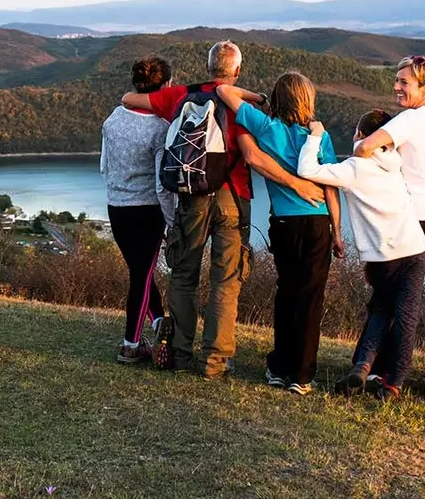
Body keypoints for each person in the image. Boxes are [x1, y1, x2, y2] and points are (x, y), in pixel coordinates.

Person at [121, 41, 326, 379]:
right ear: (237, 71)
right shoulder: (238, 105)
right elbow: (251, 156)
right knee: (226, 280)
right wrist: (298, 184)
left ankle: (180, 351)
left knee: (184, 275)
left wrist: (183, 93)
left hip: (192, 196)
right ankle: (215, 359)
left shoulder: (184, 96)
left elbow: (129, 100)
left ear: (207, 67)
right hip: (233, 196)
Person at [213, 73, 342, 395]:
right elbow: (331, 189)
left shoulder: (266, 127)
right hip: (316, 224)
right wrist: (338, 231)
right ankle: (301, 375)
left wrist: (258, 98)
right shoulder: (318, 137)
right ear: (307, 100)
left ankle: (278, 367)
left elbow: (223, 90)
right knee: (310, 298)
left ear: (278, 99)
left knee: (286, 293)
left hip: (283, 223)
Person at [353, 54, 425, 405]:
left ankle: (379, 370)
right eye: (397, 79)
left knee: (391, 295)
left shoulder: (411, 120)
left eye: (404, 82)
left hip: (424, 222)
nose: (397, 86)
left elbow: (365, 147)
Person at [297, 109, 425, 399]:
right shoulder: (397, 164)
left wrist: (315, 137)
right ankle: (393, 383)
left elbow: (307, 170)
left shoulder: (354, 169)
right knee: (407, 317)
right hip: (416, 249)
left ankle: (363, 366)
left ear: (360, 136)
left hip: (383, 257)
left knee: (382, 310)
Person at [99, 55, 175, 364]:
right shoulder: (161, 127)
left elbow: (104, 165)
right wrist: (171, 221)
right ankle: (130, 344)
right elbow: (162, 185)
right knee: (141, 276)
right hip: (147, 210)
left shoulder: (113, 118)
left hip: (116, 207)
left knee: (140, 272)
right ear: (165, 86)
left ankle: (158, 323)